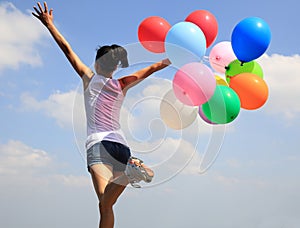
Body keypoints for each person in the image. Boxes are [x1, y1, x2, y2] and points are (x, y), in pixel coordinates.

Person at [32, 2, 171, 228]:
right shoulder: (123, 84)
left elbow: (67, 49)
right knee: (106, 205)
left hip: (98, 145)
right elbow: (153, 67)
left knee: (104, 203)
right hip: (121, 146)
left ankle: (129, 173)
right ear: (115, 68)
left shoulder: (89, 78)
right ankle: (130, 172)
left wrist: (50, 25)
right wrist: (175, 56)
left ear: (97, 63)